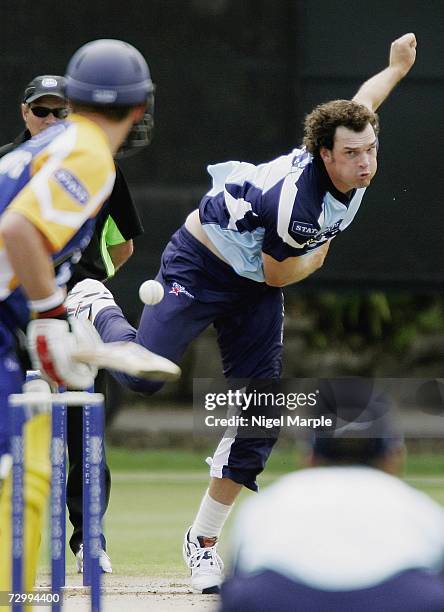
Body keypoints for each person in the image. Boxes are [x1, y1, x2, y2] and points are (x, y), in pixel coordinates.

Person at [66, 33, 417, 592]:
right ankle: (93, 300)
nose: (365, 162)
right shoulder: (297, 207)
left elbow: (364, 102)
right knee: (141, 377)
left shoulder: (352, 145)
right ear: (325, 154)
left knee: (260, 417)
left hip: (251, 285)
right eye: (351, 154)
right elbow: (283, 272)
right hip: (202, 264)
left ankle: (201, 541)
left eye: (370, 150)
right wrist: (320, 257)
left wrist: (395, 68)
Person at [0, 38, 156, 593]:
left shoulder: (51, 145)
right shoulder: (89, 154)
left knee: (25, 463)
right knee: (14, 471)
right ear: (140, 110)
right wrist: (47, 318)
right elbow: (18, 231)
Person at [219, 380, 444, 612]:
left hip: (277, 600)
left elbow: (237, 581)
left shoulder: (264, 507)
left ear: (308, 457)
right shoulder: (421, 509)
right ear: (393, 457)